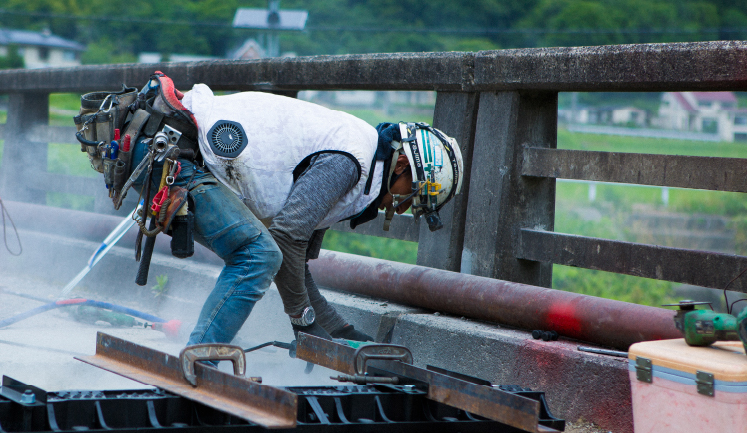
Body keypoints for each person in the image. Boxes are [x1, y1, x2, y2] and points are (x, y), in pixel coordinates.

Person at [80, 72, 463, 346]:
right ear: (400, 166)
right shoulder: (349, 161)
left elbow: (293, 259)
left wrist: (336, 329)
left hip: (168, 145)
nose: (401, 205)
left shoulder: (357, 162)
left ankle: (205, 351)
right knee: (257, 255)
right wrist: (304, 321)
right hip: (171, 147)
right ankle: (200, 360)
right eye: (409, 195)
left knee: (262, 253)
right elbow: (283, 244)